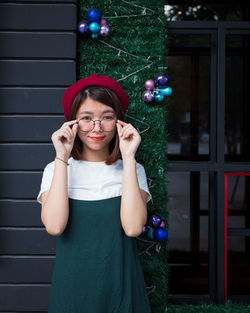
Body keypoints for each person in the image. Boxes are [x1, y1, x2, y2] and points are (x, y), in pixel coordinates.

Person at [37, 74, 152, 313]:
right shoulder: (55, 169)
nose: (97, 128)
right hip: (72, 291)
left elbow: (132, 227)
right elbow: (55, 226)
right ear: (72, 123)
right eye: (86, 118)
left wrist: (128, 156)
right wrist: (62, 156)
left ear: (120, 122)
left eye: (107, 118)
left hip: (123, 290)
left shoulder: (133, 169)